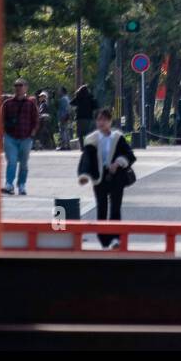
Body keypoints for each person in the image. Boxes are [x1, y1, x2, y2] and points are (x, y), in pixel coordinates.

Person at [77, 107, 136, 248]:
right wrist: (84, 174)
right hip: (100, 178)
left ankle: (116, 238)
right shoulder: (92, 139)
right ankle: (104, 239)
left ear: (110, 121)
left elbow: (130, 155)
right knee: (101, 209)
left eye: (104, 119)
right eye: (99, 119)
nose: (101, 122)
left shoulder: (118, 137)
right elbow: (86, 158)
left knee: (116, 208)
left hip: (117, 176)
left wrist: (118, 162)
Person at [1, 77, 40, 196]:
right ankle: (9, 184)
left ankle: (22, 185)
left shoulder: (30, 104)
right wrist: (3, 133)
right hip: (10, 137)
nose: (18, 88)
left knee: (23, 163)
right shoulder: (7, 104)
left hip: (26, 137)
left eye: (21, 85)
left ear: (26, 88)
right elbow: (1, 119)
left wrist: (33, 132)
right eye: (16, 85)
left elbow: (36, 119)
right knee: (11, 161)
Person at [71, 83, 97, 149]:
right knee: (89, 132)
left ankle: (82, 147)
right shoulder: (90, 97)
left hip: (80, 118)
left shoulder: (78, 97)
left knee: (80, 133)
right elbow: (96, 106)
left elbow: (71, 103)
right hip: (89, 118)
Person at [57, 86, 72, 151]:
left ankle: (64, 146)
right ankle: (68, 145)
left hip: (63, 117)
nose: (58, 92)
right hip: (67, 116)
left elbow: (64, 109)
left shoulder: (63, 99)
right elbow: (69, 108)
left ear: (62, 91)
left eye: (59, 90)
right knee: (66, 131)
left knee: (63, 131)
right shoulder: (68, 98)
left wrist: (62, 117)